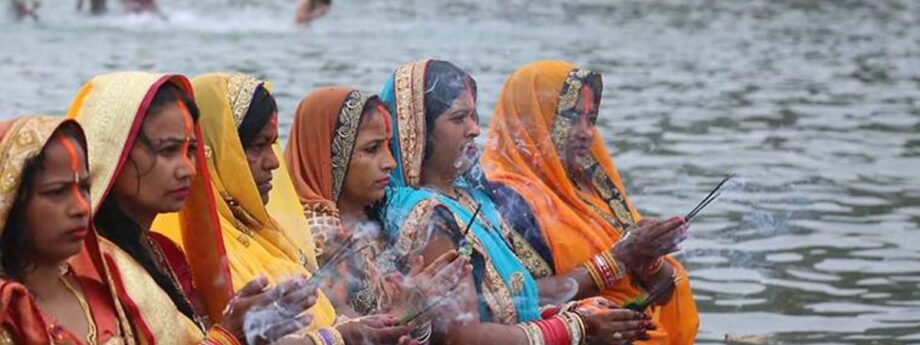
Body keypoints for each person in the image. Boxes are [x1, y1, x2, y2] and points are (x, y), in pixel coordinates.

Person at [379, 59, 663, 344]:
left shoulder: (471, 197)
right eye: (458, 118)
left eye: (474, 116)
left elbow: (507, 306)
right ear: (417, 130)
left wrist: (573, 313)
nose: (475, 129)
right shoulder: (428, 214)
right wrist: (575, 327)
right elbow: (461, 336)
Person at [68, 72, 319, 344]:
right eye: (167, 151)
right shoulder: (85, 268)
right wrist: (229, 336)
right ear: (112, 151)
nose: (188, 169)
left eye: (191, 151)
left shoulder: (164, 254)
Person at [179, 73, 422, 344]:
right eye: (259, 146)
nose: (274, 162)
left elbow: (330, 323)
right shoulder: (194, 250)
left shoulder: (267, 235)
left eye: (273, 144)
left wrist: (410, 315)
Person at [482, 60, 700, 345]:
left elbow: (664, 289)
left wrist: (651, 257)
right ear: (532, 119)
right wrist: (618, 260)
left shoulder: (591, 187)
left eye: (591, 119)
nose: (586, 132)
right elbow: (512, 302)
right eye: (571, 118)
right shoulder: (502, 199)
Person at [284, 87, 472, 332]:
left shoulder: (370, 219)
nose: (390, 163)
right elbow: (355, 336)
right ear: (329, 155)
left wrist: (418, 303)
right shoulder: (319, 236)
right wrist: (407, 311)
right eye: (372, 149)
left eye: (388, 147)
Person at [0, 116, 135, 344]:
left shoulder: (110, 293)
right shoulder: (8, 310)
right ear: (10, 201)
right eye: (57, 192)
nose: (82, 208)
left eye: (84, 188)